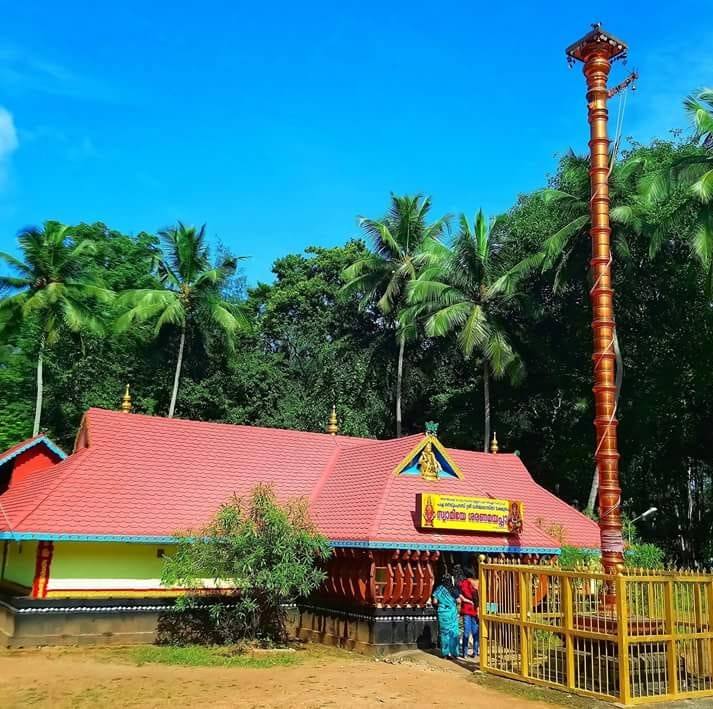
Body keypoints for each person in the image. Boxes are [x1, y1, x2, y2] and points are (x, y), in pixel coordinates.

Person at [432, 575, 461, 659]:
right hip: (452, 613)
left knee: (444, 632)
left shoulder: (439, 589)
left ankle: (445, 653)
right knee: (454, 632)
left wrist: (442, 604)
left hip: (443, 612)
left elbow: (434, 601)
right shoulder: (453, 589)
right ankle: (454, 653)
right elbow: (459, 601)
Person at [459, 568, 479, 658]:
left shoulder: (464, 583)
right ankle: (475, 652)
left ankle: (465, 653)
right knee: (475, 632)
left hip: (467, 610)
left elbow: (459, 593)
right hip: (475, 610)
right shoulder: (478, 582)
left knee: (466, 632)